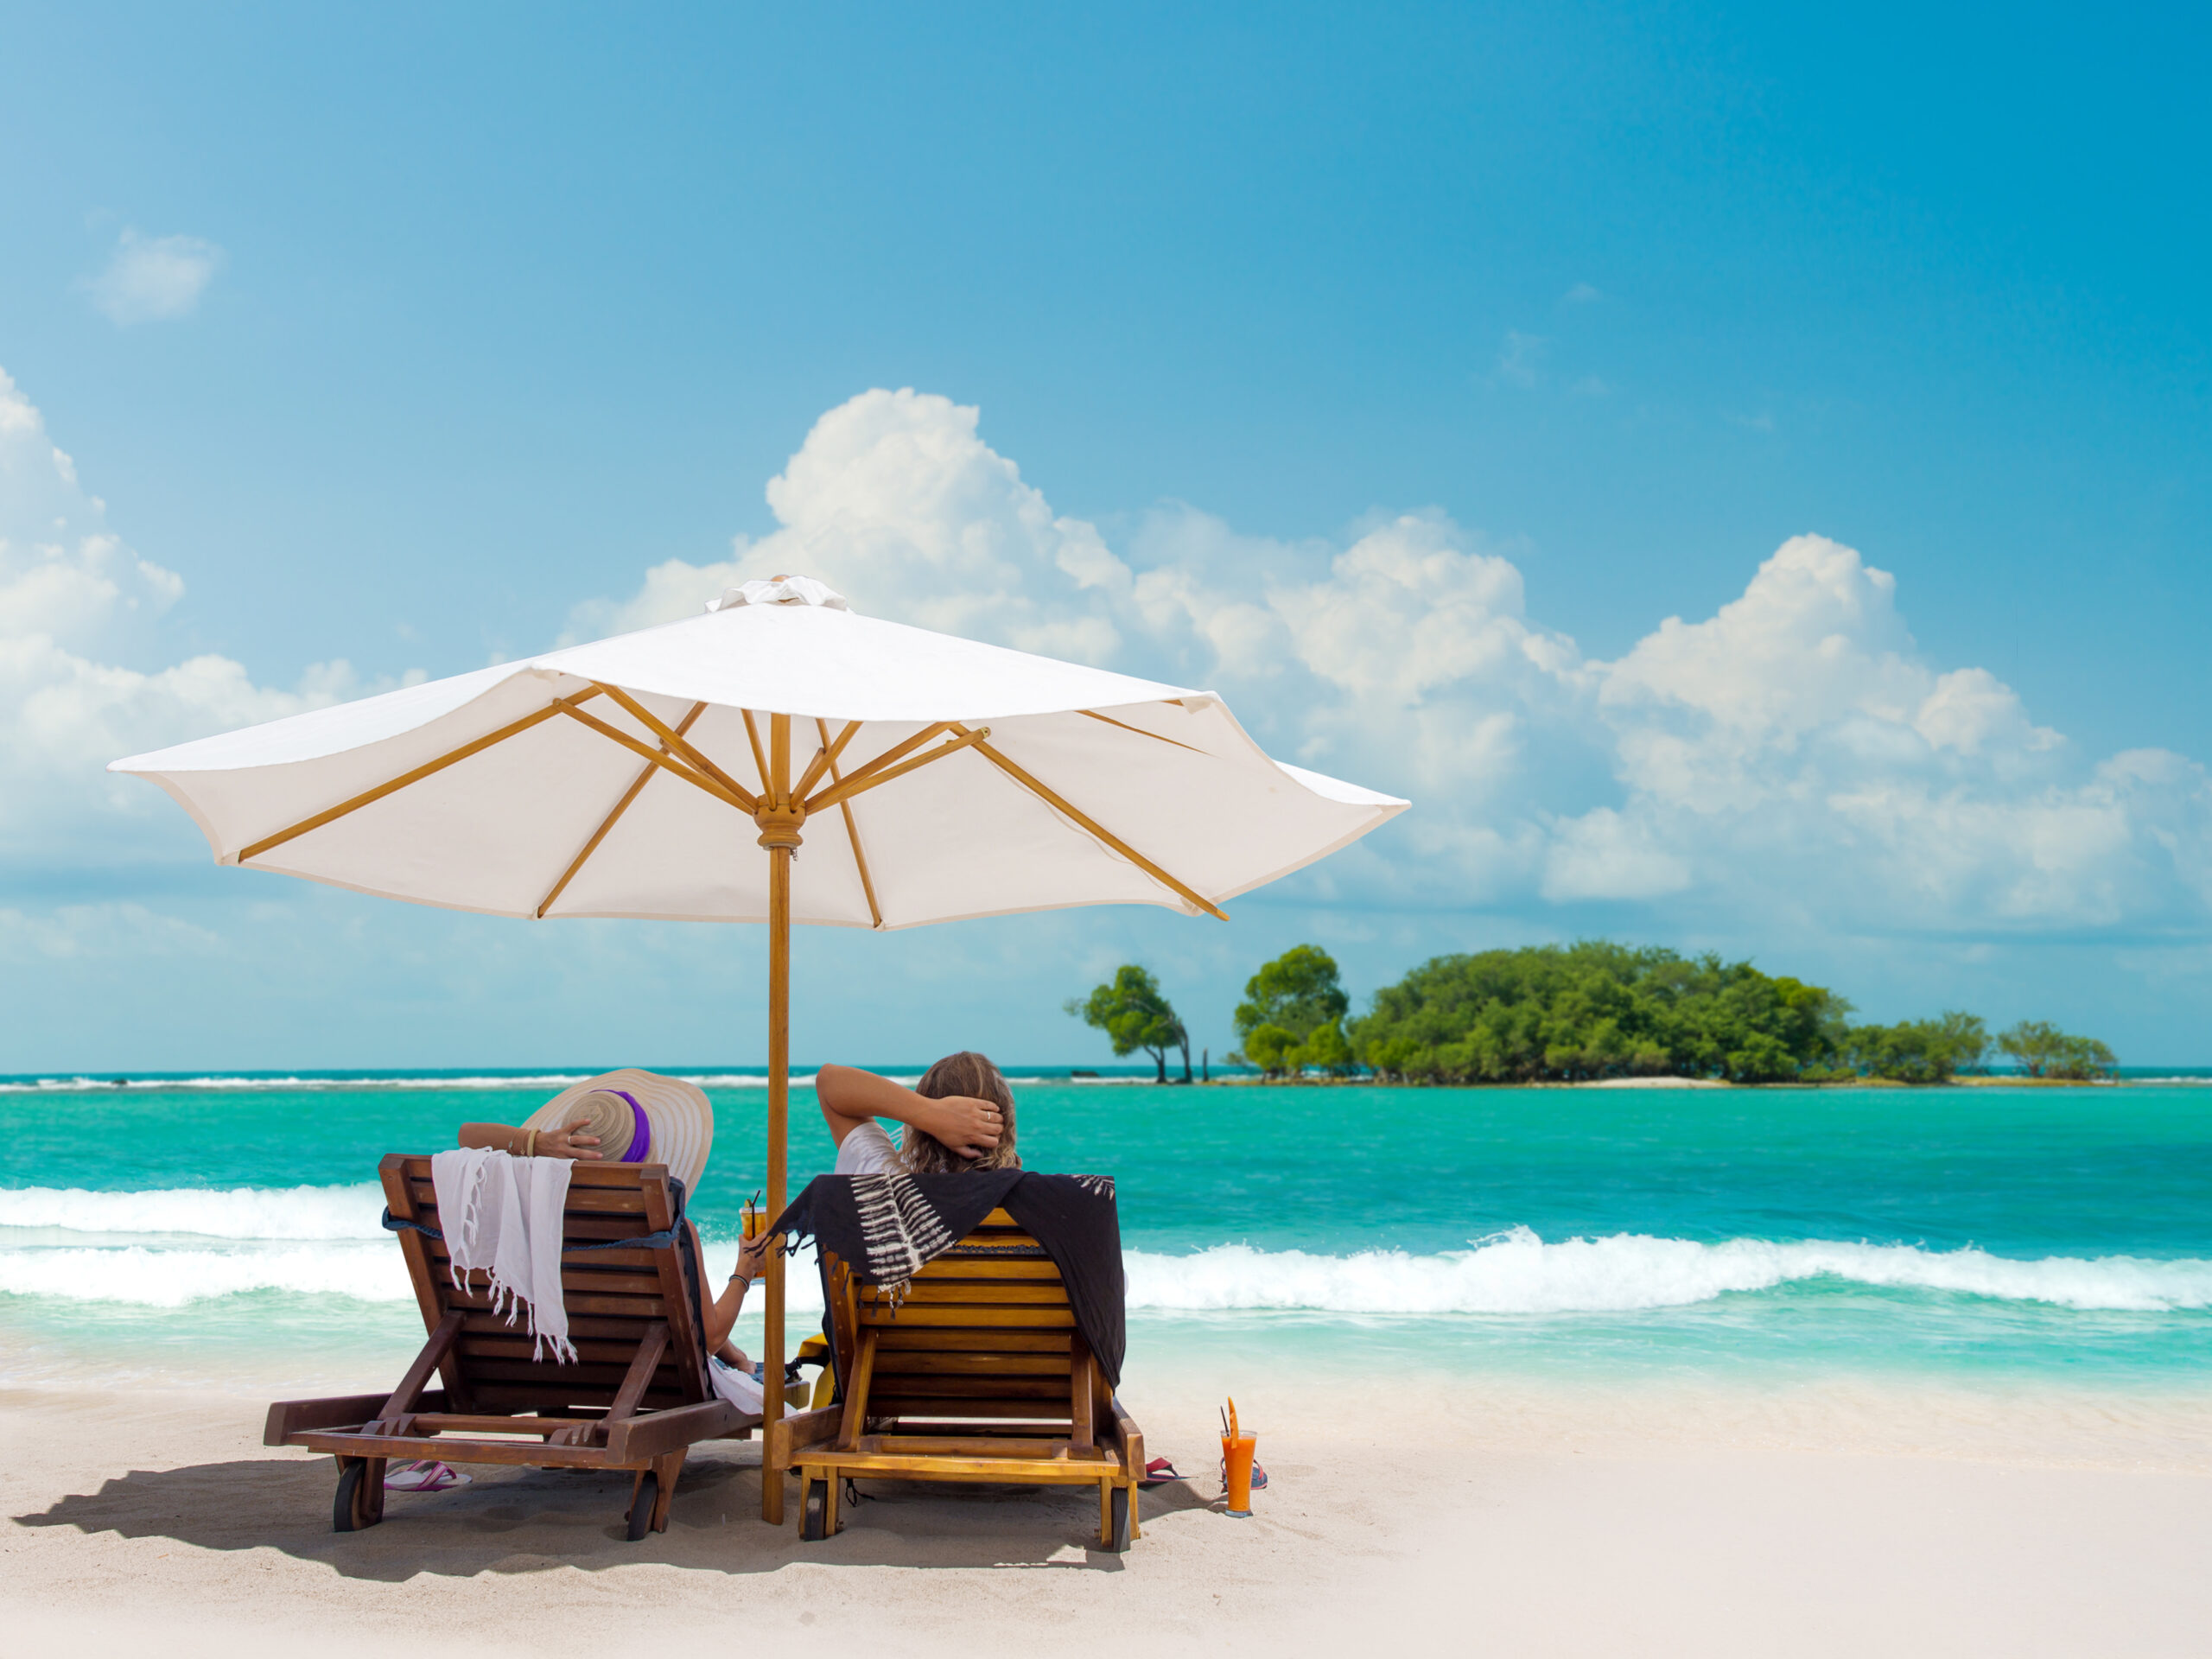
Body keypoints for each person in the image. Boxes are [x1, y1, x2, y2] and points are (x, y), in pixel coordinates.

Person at [815, 1053, 1019, 1175]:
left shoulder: (887, 1192)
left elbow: (829, 1082)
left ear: (922, 1133)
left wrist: (931, 1114)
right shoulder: (1035, 1202)